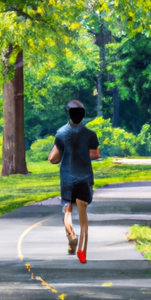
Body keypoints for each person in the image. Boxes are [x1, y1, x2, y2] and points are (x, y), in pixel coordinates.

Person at [48, 100, 100, 264]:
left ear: (69, 114)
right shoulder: (90, 134)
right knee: (83, 215)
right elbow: (96, 155)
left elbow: (53, 158)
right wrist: (83, 153)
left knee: (67, 211)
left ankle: (71, 236)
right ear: (83, 115)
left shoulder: (61, 133)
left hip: (67, 179)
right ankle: (82, 250)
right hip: (85, 179)